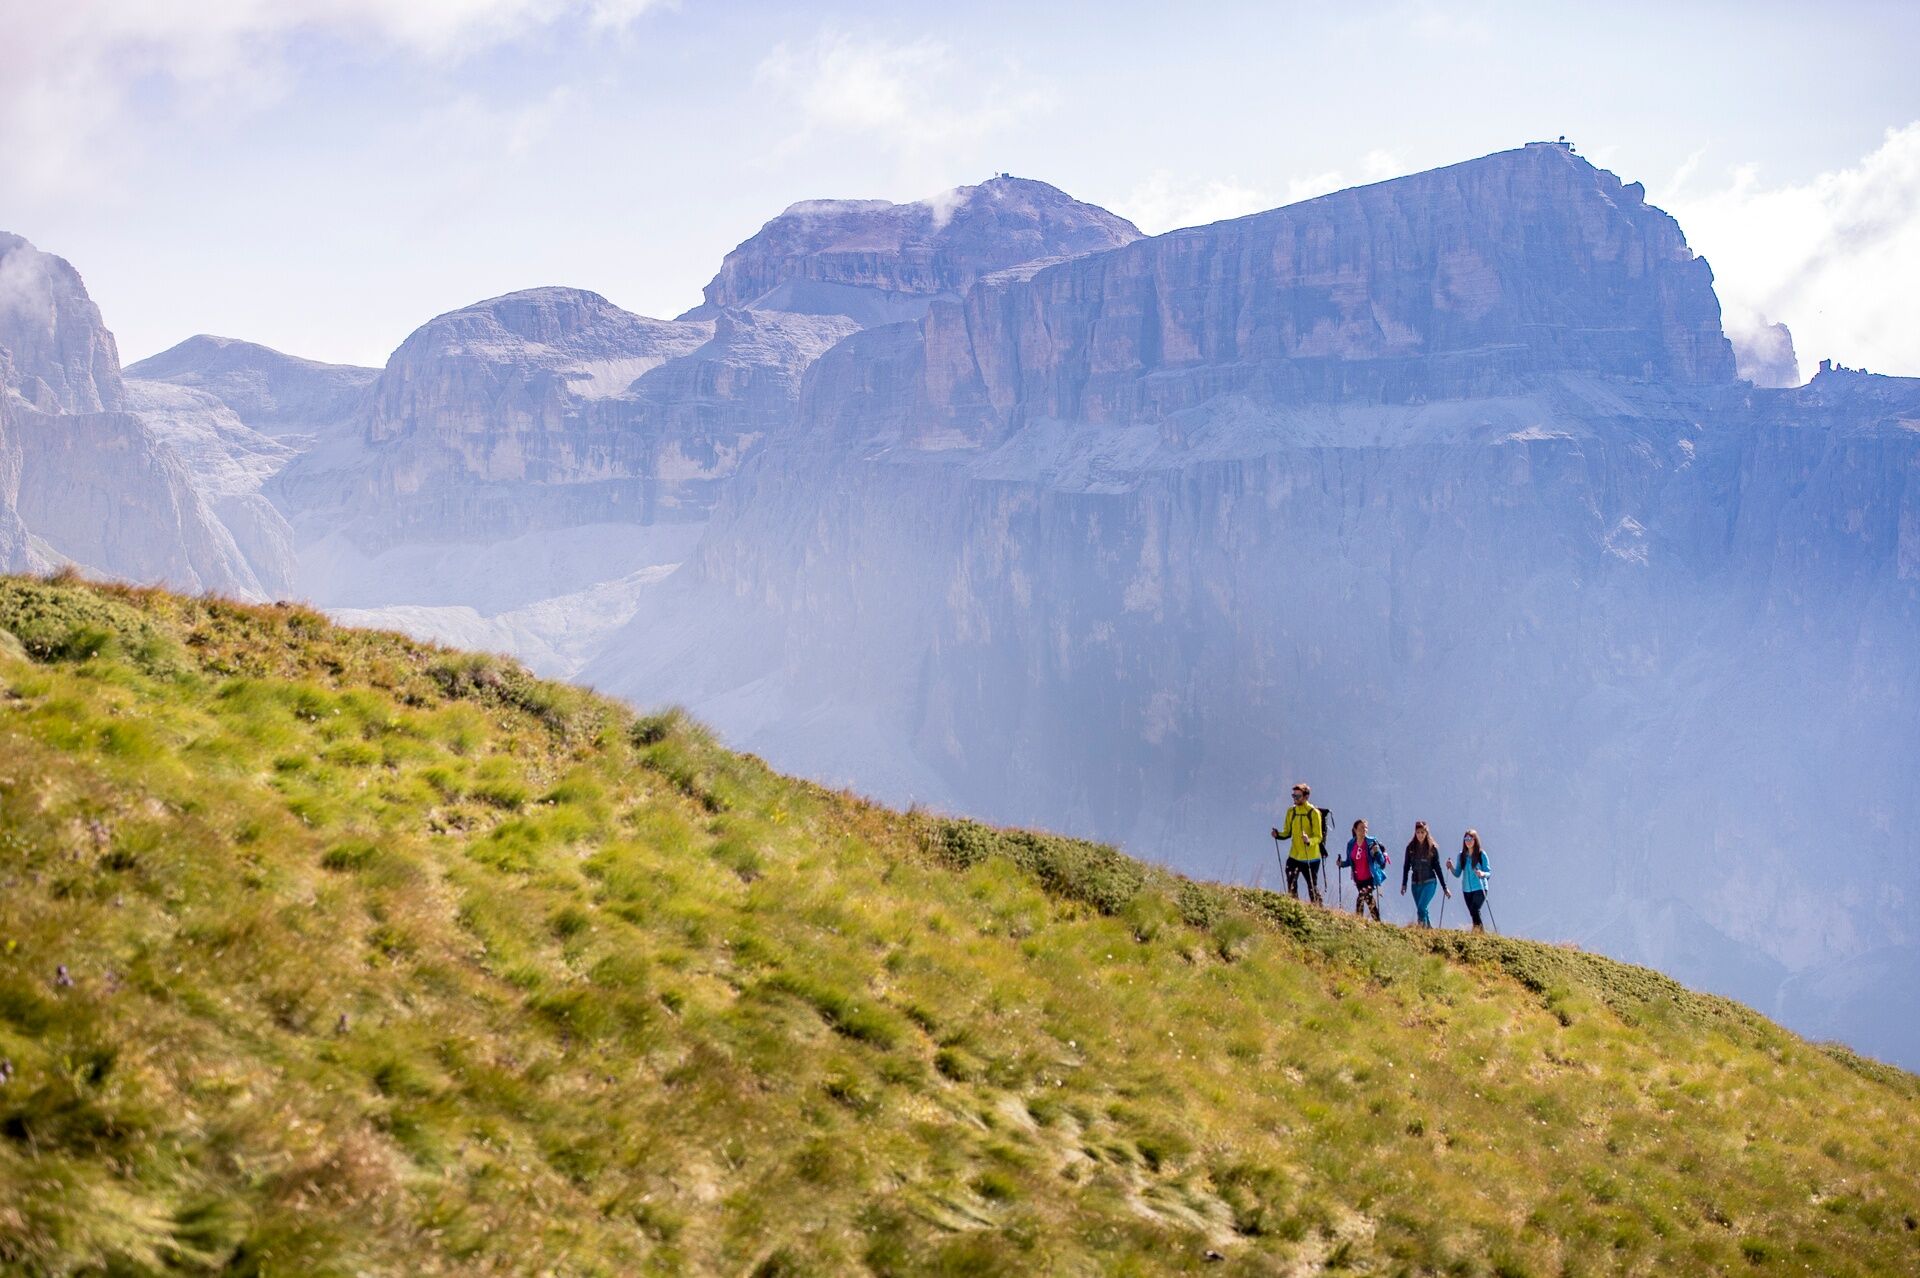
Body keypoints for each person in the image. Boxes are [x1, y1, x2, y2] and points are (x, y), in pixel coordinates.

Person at [1270, 782, 1324, 905]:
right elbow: (1287, 832)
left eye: (1298, 796)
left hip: (1311, 858)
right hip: (1294, 855)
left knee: (1312, 887)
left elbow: (1318, 837)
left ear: (1306, 797)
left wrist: (1309, 841)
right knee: (1291, 883)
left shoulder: (1313, 813)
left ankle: (1319, 909)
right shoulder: (1291, 811)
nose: (1295, 798)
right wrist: (1278, 835)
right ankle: (1294, 906)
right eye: (1293, 796)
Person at [1337, 818, 1389, 921]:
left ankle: (1358, 921)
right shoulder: (1351, 844)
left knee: (1361, 898)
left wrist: (1377, 853)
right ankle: (1377, 922)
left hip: (1370, 878)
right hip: (1358, 879)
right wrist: (1341, 864)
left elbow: (1382, 862)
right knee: (1369, 900)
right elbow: (1349, 861)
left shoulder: (1371, 843)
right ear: (1355, 830)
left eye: (1365, 828)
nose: (1364, 830)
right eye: (1361, 828)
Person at [1401, 821, 1449, 926]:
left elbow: (1437, 868)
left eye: (1422, 832)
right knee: (1422, 909)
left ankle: (1420, 929)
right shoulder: (1410, 848)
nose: (1420, 835)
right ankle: (1428, 931)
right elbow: (1406, 867)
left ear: (1426, 833)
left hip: (1429, 882)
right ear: (1415, 833)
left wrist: (1444, 887)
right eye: (1418, 832)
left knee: (1421, 908)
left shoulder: (1432, 848)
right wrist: (1404, 884)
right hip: (1415, 884)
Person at [1451, 830, 1492, 932]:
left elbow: (1488, 872)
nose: (1468, 841)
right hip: (1467, 890)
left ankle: (1479, 933)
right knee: (1473, 913)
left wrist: (1482, 874)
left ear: (1475, 840)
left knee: (1474, 910)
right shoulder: (1461, 856)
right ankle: (1478, 933)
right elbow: (1457, 873)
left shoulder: (1481, 854)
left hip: (1480, 887)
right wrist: (1451, 867)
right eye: (1466, 839)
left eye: (1470, 839)